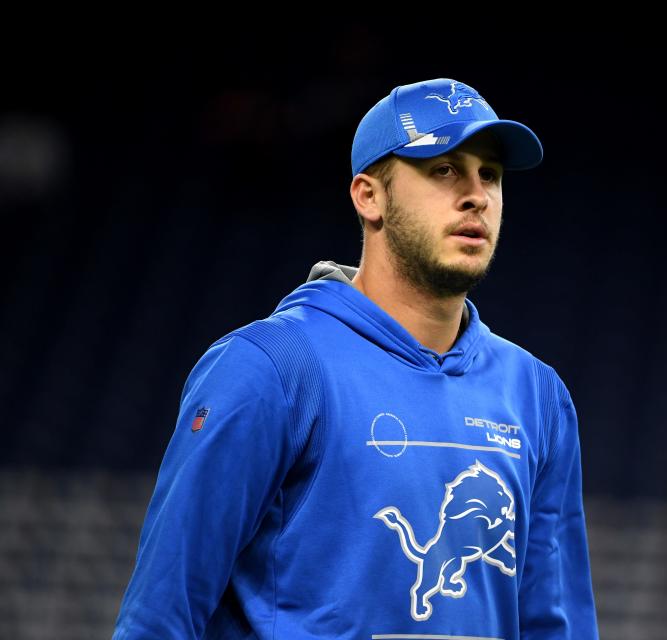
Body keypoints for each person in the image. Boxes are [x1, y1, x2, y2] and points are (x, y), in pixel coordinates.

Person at [113, 78, 599, 639]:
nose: (477, 195)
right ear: (369, 196)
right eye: (444, 169)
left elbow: (556, 627)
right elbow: (159, 619)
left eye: (489, 174)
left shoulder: (537, 395)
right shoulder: (268, 369)